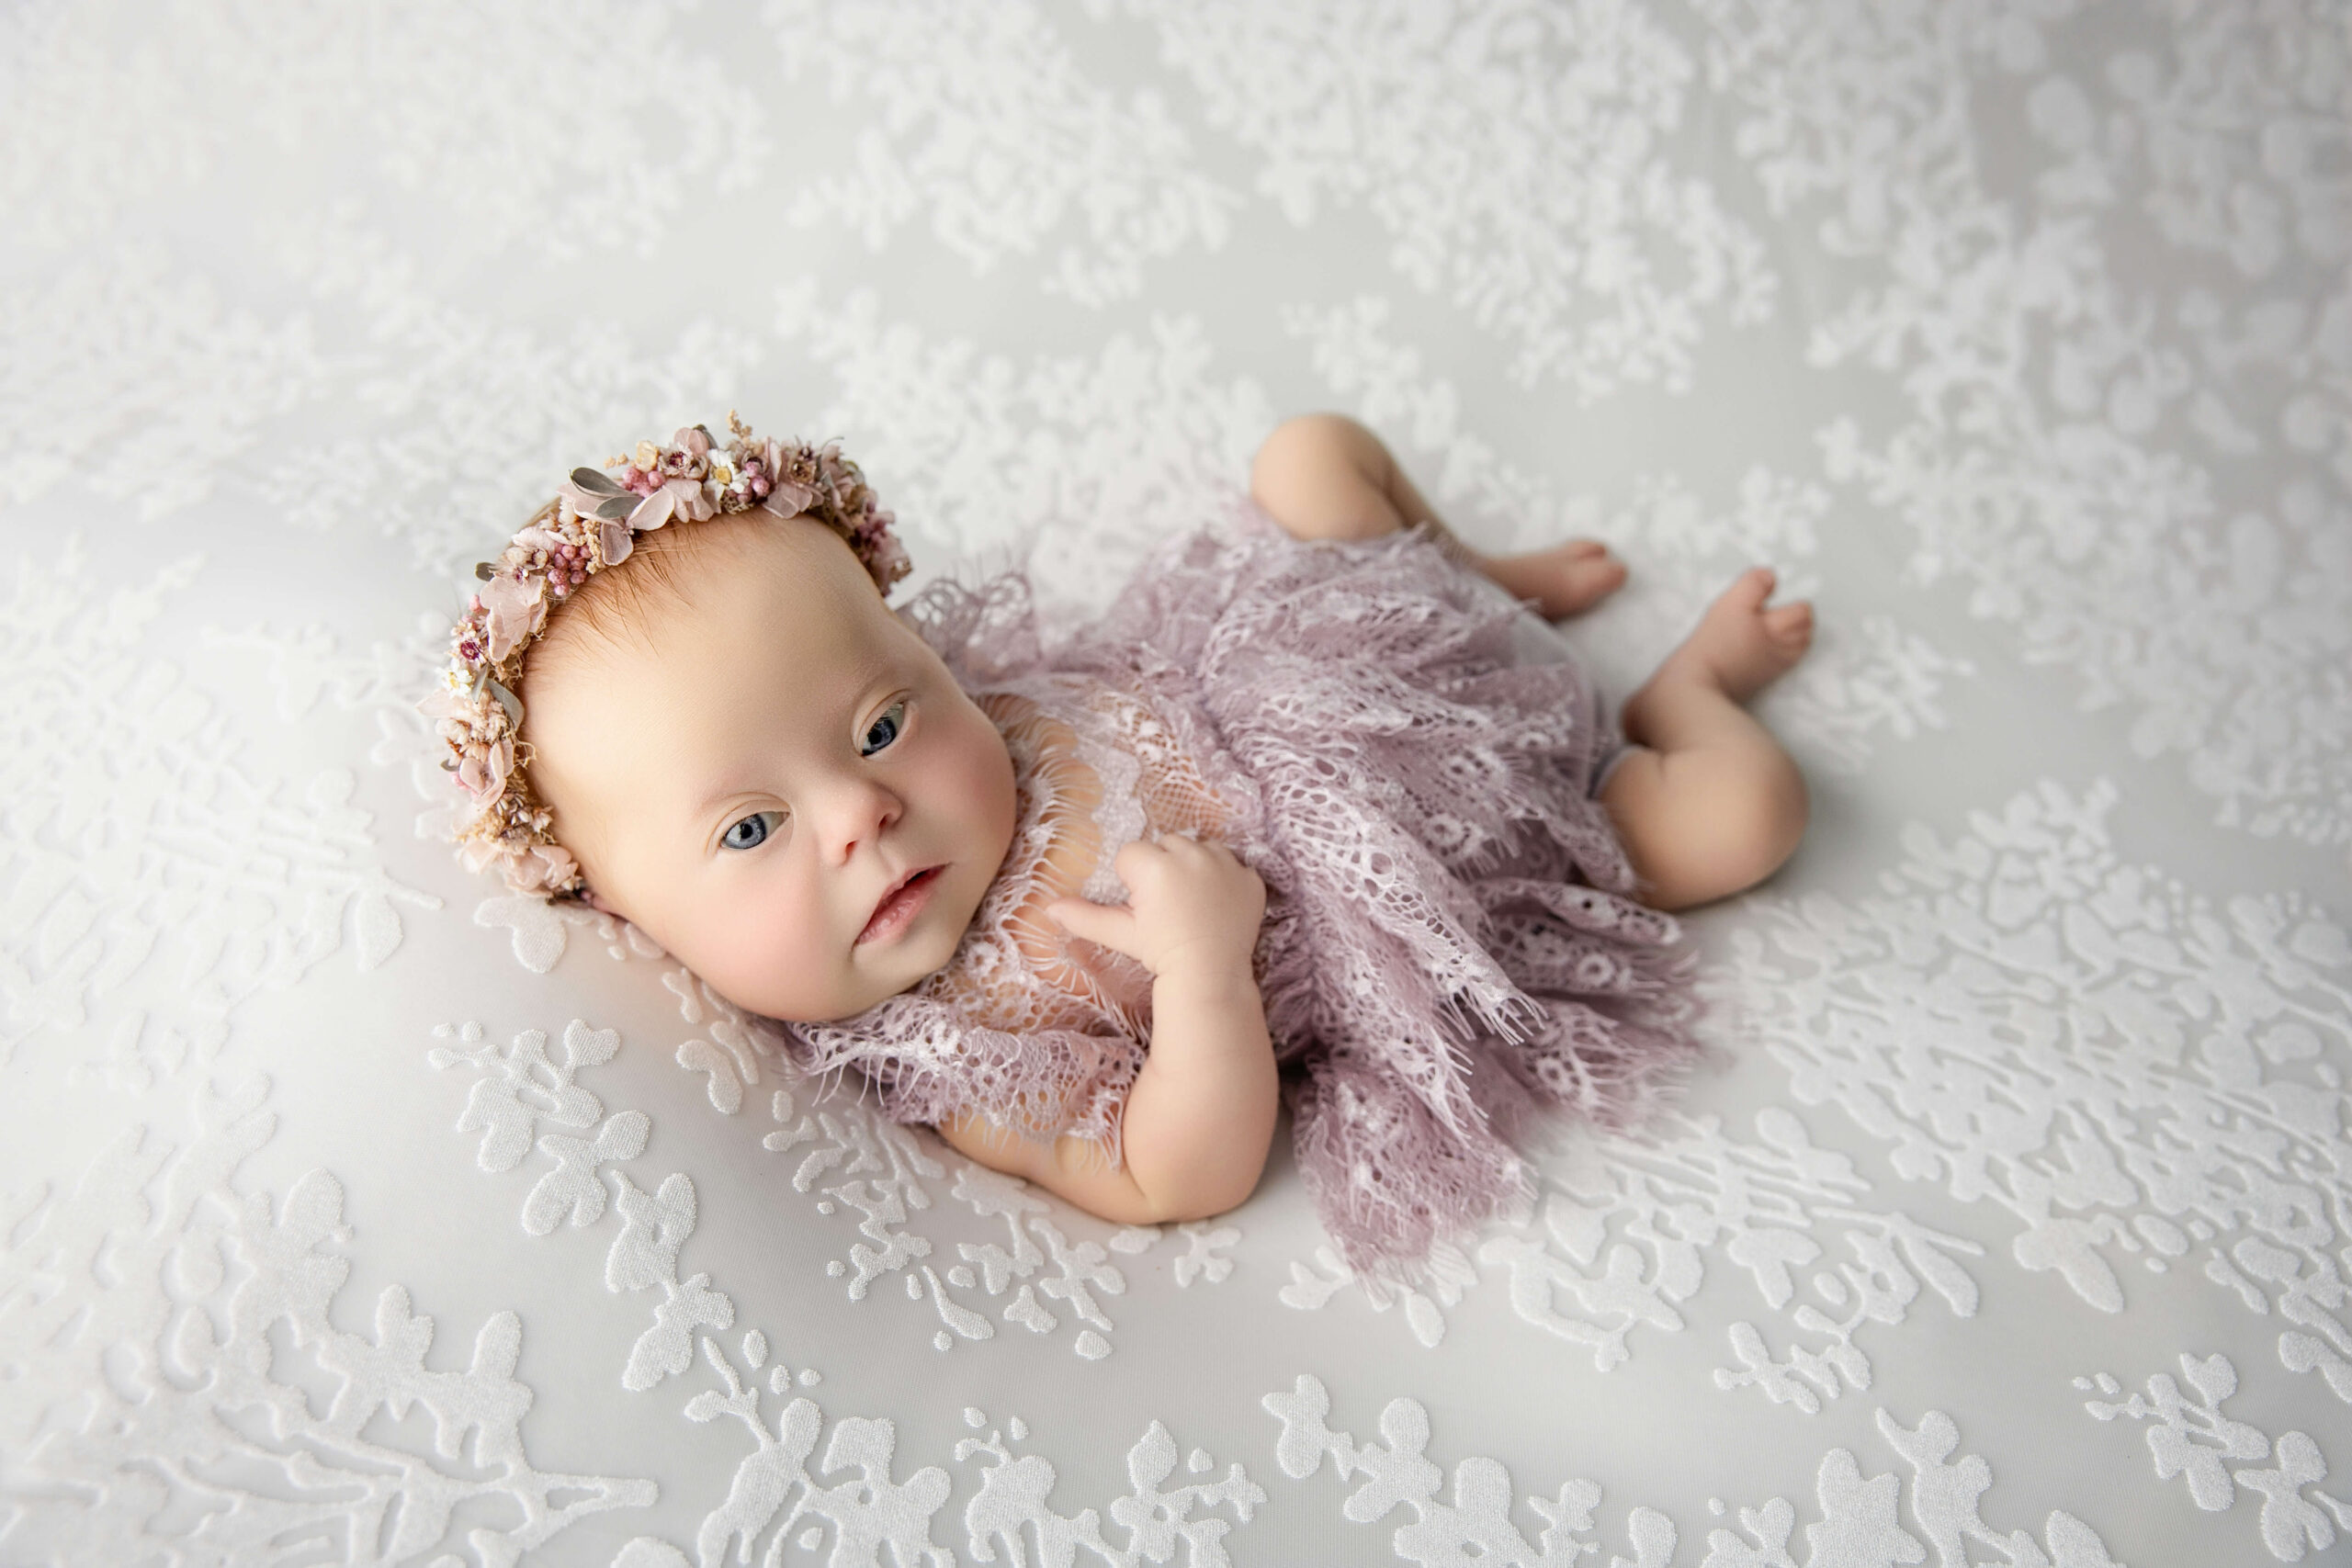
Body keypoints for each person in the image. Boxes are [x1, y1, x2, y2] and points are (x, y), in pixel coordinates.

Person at [424, 412, 1811, 1280]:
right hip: (1455, 860)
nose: (858, 814)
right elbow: (1170, 1174)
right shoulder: (957, 1046)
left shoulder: (981, 700)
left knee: (1312, 455)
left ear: (929, 649)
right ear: (630, 918)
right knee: (1747, 819)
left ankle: (1482, 577)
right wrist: (1206, 977)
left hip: (1328, 643)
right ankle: (1681, 699)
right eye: (748, 829)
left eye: (882, 721)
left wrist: (1440, 591)